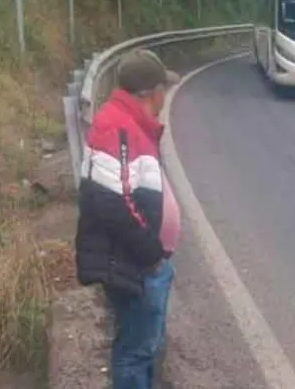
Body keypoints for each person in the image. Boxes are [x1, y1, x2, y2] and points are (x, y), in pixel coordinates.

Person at [75, 50, 183, 389]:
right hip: (135, 265)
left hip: (142, 263)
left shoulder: (129, 123)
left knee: (144, 349)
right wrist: (151, 256)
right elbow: (113, 204)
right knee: (136, 353)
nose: (165, 96)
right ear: (151, 93)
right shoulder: (117, 127)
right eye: (163, 88)